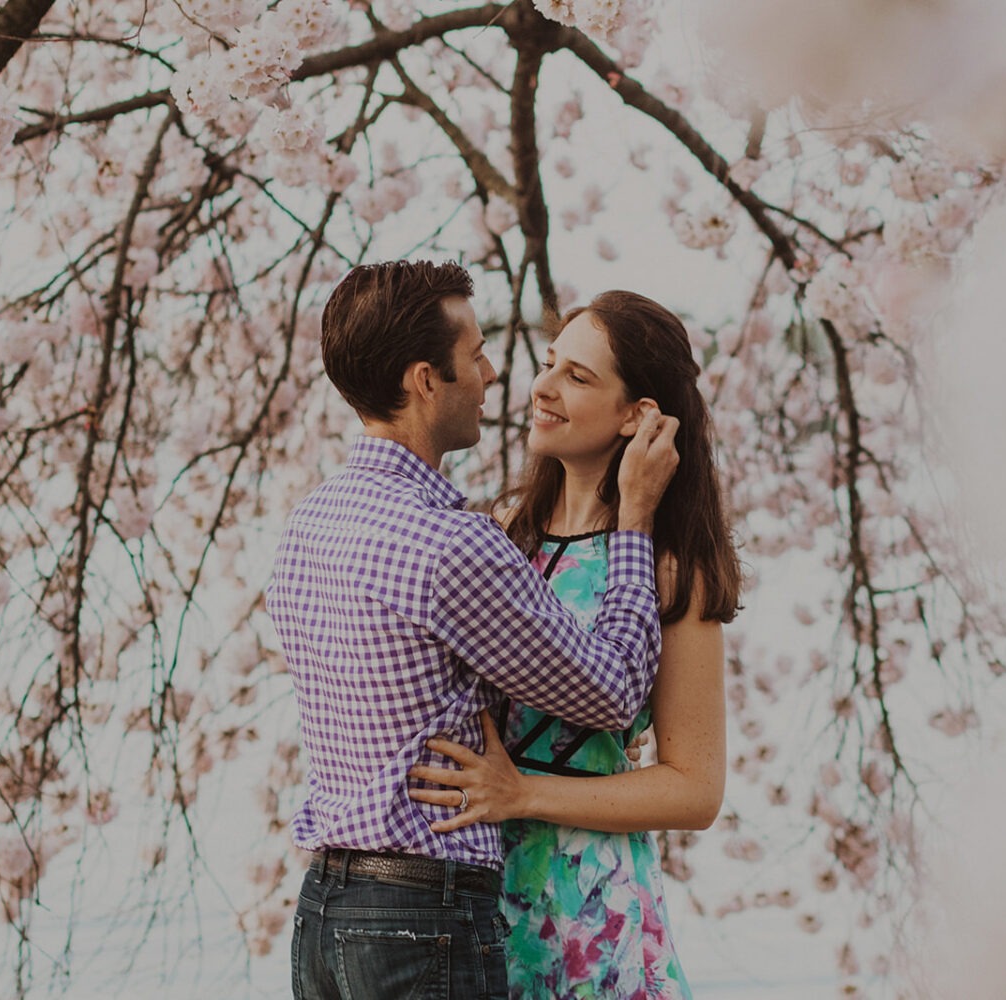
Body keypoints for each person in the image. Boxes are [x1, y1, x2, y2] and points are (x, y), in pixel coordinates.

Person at [264, 262, 682, 1000]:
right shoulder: (456, 544)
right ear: (427, 380)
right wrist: (637, 521)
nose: (494, 375)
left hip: (326, 912)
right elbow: (615, 692)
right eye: (476, 356)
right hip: (419, 911)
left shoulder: (310, 523)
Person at [408, 290, 741, 998]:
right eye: (550, 363)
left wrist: (523, 792)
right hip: (479, 899)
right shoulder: (496, 538)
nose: (543, 387)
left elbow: (695, 790)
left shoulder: (671, 568)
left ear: (638, 415)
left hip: (597, 916)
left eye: (578, 377)